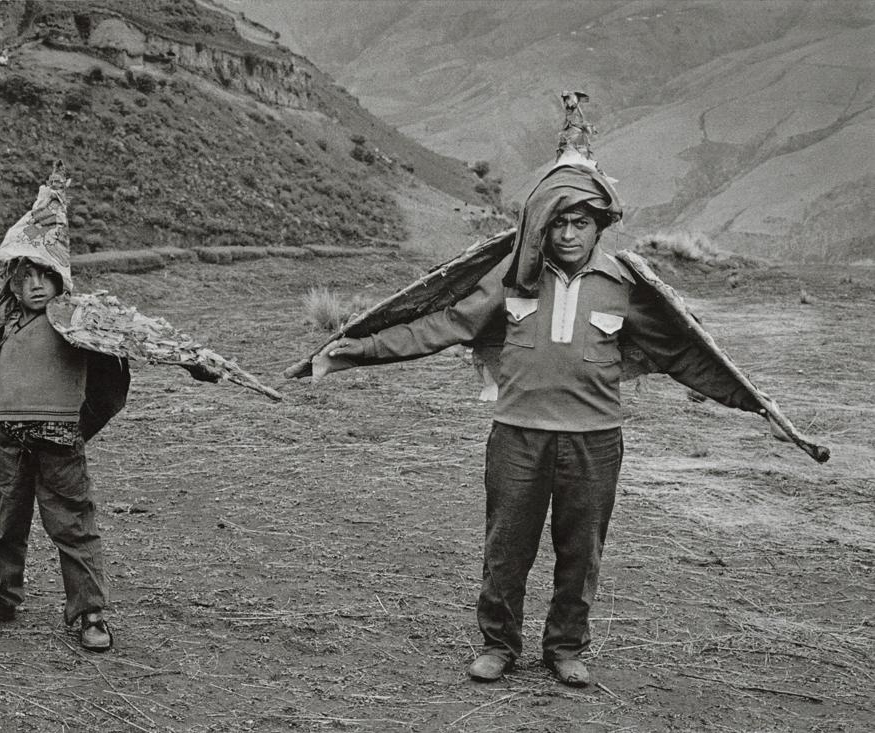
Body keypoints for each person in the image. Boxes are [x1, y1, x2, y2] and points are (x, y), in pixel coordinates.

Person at [316, 160, 766, 686]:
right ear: (543, 228)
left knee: (581, 552)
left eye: (581, 223)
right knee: (506, 548)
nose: (569, 234)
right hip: (517, 436)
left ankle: (566, 648)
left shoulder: (623, 284)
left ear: (600, 227)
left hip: (594, 441)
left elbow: (683, 354)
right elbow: (446, 324)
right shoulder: (514, 278)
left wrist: (750, 402)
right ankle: (498, 646)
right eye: (558, 223)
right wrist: (359, 350)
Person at [0, 255, 113, 652]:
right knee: (9, 522)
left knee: (73, 526)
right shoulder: (1, 321)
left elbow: (115, 374)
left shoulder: (77, 320)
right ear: (11, 283)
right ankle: (2, 595)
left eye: (47, 275)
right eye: (25, 277)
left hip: (60, 445)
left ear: (61, 279)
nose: (37, 285)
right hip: (11, 439)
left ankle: (89, 612)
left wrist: (79, 428)